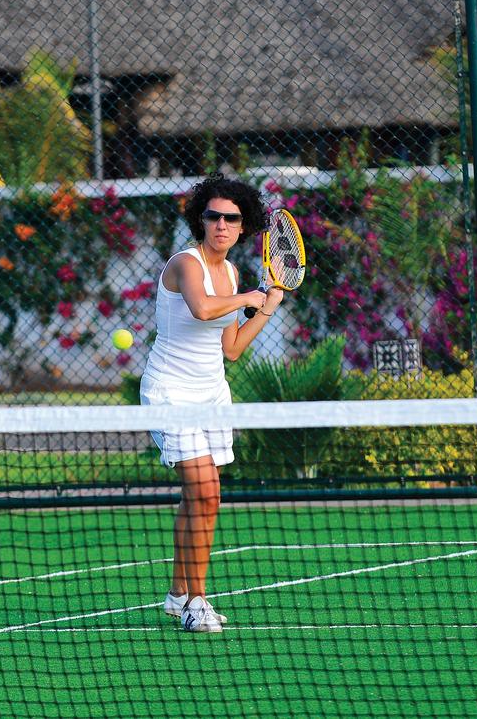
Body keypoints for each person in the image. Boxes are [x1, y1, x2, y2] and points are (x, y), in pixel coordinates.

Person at [139, 174, 280, 634]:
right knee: (204, 490)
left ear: (243, 226)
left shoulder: (233, 273)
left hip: (212, 393)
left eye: (231, 218)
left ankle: (179, 593)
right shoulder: (186, 263)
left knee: (204, 496)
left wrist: (269, 306)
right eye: (213, 216)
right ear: (200, 220)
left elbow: (232, 347)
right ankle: (197, 603)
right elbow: (202, 309)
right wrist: (250, 297)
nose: (221, 224)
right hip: (170, 392)